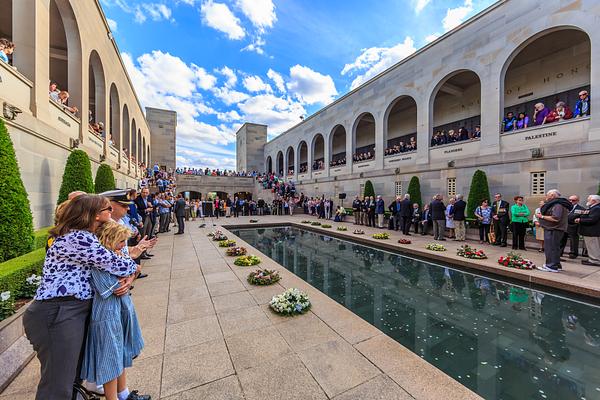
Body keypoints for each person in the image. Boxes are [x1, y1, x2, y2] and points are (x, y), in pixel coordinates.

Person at [22, 195, 139, 400]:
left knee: (69, 380)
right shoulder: (78, 238)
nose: (112, 214)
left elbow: (122, 261)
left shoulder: (83, 236)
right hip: (58, 312)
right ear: (94, 215)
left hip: (67, 311)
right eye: (108, 210)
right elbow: (122, 264)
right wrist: (130, 270)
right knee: (58, 386)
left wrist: (129, 274)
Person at [80, 221, 150, 400]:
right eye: (121, 242)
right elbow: (114, 288)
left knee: (121, 351)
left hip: (119, 309)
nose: (123, 246)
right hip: (106, 312)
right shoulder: (101, 262)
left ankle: (123, 393)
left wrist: (130, 274)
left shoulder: (115, 257)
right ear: (109, 240)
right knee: (110, 357)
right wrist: (129, 273)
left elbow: (131, 273)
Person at [537, 189, 571, 272]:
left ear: (552, 195)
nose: (546, 197)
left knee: (551, 248)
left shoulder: (558, 204)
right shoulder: (558, 203)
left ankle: (551, 266)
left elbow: (556, 218)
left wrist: (541, 216)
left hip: (554, 229)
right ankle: (556, 265)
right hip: (554, 229)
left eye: (547, 195)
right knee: (554, 248)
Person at [575, 195, 600, 266]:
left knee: (593, 246)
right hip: (590, 231)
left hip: (592, 231)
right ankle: (592, 259)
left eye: (589, 200)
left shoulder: (596, 208)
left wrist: (580, 220)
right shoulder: (593, 208)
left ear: (594, 201)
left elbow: (592, 220)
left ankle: (594, 260)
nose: (587, 201)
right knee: (592, 246)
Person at [560, 195, 585, 259]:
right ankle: (560, 252)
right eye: (569, 200)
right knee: (561, 240)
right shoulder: (564, 207)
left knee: (573, 241)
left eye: (573, 200)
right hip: (564, 226)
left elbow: (581, 217)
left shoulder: (581, 209)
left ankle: (573, 254)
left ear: (577, 201)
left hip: (573, 226)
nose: (571, 201)